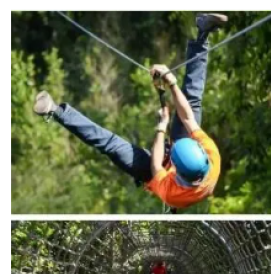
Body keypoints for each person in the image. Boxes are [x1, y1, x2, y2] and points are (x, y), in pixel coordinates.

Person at [32, 13, 226, 210]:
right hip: (182, 163)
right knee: (192, 100)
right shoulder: (212, 157)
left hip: (156, 173)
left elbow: (157, 166)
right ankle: (203, 33)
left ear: (177, 171)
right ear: (201, 152)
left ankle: (56, 111)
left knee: (111, 145)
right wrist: (172, 83)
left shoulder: (171, 192)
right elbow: (188, 117)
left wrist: (161, 128)